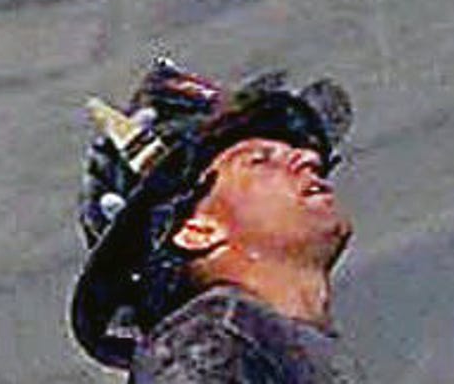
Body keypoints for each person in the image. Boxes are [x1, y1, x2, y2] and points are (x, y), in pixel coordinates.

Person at [72, 58, 361, 383]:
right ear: (197, 230)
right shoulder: (212, 341)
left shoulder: (260, 344)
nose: (309, 158)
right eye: (259, 160)